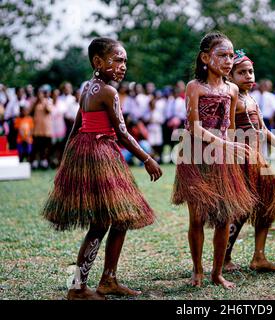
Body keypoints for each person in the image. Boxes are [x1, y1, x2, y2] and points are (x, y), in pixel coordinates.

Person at [41, 38, 162, 300]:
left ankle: (108, 280)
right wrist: (147, 158)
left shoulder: (88, 88)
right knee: (102, 222)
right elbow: (121, 132)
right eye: (117, 60)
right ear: (98, 62)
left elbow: (76, 126)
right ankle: (78, 288)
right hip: (99, 155)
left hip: (91, 153)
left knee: (120, 217)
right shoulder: (108, 92)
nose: (123, 66)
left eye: (124, 61)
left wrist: (67, 159)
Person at [172, 32, 256, 289]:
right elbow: (194, 128)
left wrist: (231, 150)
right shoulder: (194, 87)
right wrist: (225, 144)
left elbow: (229, 127)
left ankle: (217, 272)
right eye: (222, 55)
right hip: (196, 156)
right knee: (196, 218)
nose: (228, 61)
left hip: (222, 157)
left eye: (231, 56)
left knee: (224, 217)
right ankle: (197, 270)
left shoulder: (232, 89)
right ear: (206, 58)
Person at [224, 50, 275, 272]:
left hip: (259, 161)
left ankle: (259, 257)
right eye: (242, 72)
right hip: (242, 162)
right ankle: (224, 258)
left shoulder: (251, 99)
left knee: (267, 206)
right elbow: (227, 131)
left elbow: (263, 130)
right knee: (241, 211)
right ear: (229, 76)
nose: (248, 76)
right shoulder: (232, 98)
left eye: (250, 71)